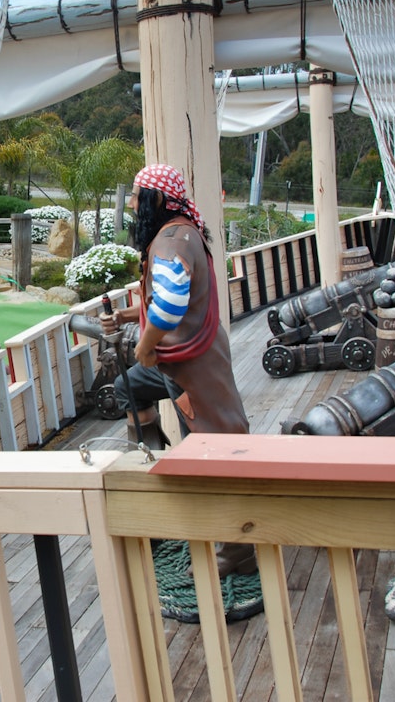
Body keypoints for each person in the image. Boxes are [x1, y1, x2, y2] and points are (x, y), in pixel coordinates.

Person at [100, 163, 255, 577]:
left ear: (156, 200)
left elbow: (169, 307)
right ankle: (154, 462)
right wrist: (127, 316)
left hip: (193, 367)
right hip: (177, 363)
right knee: (128, 388)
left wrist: (145, 347)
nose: (133, 205)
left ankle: (236, 552)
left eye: (137, 197)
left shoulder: (170, 242)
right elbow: (165, 300)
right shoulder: (180, 232)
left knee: (216, 448)